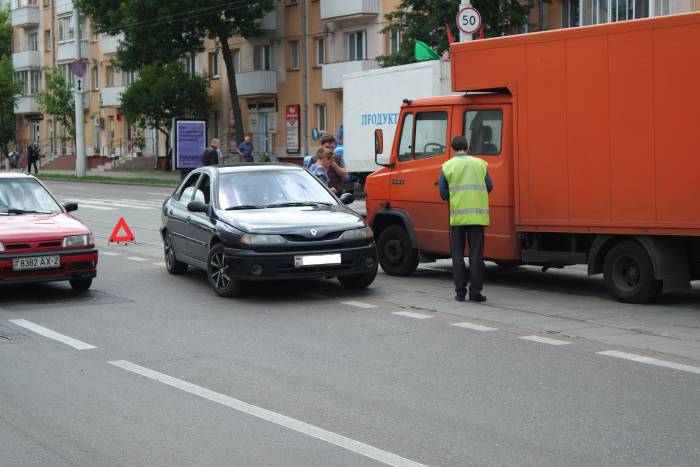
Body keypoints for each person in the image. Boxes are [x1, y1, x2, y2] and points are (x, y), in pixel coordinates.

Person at [438, 136, 493, 303]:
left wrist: (455, 198)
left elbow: (442, 192)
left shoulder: (447, 166)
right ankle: (475, 293)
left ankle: (460, 293)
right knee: (476, 256)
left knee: (457, 255)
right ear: (467, 148)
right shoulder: (480, 164)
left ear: (452, 149)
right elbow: (490, 186)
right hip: (478, 216)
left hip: (458, 217)